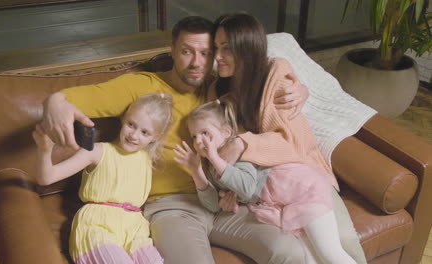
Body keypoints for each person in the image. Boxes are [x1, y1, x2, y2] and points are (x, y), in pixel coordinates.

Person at [41, 16, 310, 264]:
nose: (196, 62)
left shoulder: (218, 88)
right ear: (172, 50)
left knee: (290, 252)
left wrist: (301, 90)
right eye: (186, 51)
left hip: (222, 201)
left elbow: (263, 92)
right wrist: (54, 100)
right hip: (172, 208)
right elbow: (71, 99)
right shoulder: (140, 86)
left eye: (205, 53)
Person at [204, 12, 367, 264]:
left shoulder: (275, 71)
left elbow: (290, 143)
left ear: (247, 46)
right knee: (305, 255)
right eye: (215, 48)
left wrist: (243, 143)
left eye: (226, 48)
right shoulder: (218, 90)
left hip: (302, 177)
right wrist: (232, 186)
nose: (218, 57)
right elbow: (222, 150)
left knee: (342, 245)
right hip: (262, 189)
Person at [175, 98, 357, 263]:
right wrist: (197, 172)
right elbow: (213, 206)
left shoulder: (236, 154)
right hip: (277, 202)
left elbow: (246, 187)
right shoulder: (214, 169)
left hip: (301, 189)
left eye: (205, 133)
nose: (199, 140)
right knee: (309, 257)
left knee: (330, 253)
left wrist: (215, 159)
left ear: (226, 132)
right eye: (194, 136)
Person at [33, 93, 173, 264]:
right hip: (97, 228)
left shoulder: (146, 159)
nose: (134, 135)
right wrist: (45, 150)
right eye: (131, 125)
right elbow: (46, 178)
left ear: (156, 137)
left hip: (135, 232)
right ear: (123, 119)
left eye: (145, 132)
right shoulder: (96, 151)